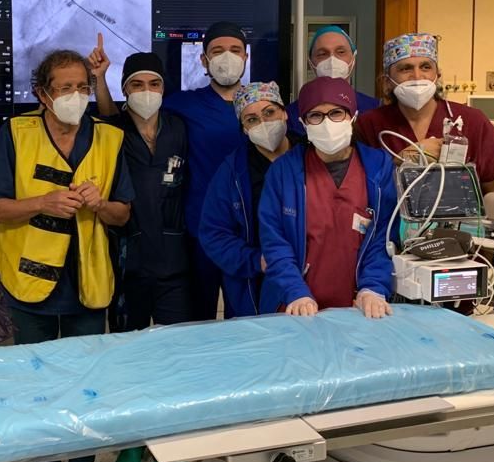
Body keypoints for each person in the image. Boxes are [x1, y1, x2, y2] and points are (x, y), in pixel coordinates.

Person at [0, 49, 133, 462]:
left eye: (83, 87)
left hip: (87, 280)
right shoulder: (17, 133)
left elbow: (123, 214)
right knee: (38, 381)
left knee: (86, 379)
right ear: (42, 94)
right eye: (64, 88)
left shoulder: (109, 138)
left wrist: (100, 204)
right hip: (29, 281)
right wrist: (42, 203)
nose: (75, 96)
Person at [89, 45, 201, 462]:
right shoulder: (112, 130)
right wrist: (99, 80)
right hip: (129, 258)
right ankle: (131, 442)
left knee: (175, 356)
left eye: (154, 83)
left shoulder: (178, 128)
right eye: (136, 84)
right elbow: (104, 114)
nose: (146, 91)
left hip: (175, 259)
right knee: (128, 355)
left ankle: (171, 446)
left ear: (164, 88)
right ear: (125, 90)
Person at [260, 77, 397, 318]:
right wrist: (295, 291)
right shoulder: (284, 171)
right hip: (296, 303)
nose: (327, 123)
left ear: (353, 116)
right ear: (303, 123)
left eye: (336, 113)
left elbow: (384, 236)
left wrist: (373, 287)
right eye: (315, 115)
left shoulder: (378, 167)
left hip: (359, 304)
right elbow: (275, 241)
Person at [162, 21, 250, 321]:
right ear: (203, 59)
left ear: (245, 57)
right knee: (199, 318)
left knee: (246, 317)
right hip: (202, 226)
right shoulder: (184, 104)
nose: (227, 57)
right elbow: (131, 122)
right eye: (218, 50)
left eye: (235, 50)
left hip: (249, 228)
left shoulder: (260, 105)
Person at [356, 32, 494, 195]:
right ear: (387, 81)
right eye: (405, 68)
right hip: (393, 212)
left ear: (437, 76)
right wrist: (401, 161)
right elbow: (361, 189)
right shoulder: (369, 125)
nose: (417, 76)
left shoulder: (472, 121)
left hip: (461, 212)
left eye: (425, 67)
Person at [198, 82, 289, 318]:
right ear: (244, 129)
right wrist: (256, 260)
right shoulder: (233, 172)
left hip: (311, 278)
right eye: (251, 119)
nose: (263, 123)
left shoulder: (309, 158)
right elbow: (213, 234)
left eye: (270, 112)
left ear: (285, 113)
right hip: (254, 287)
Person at [286, 25, 379, 136]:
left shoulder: (374, 109)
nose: (332, 60)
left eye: (341, 52)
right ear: (310, 62)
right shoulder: (291, 115)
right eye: (322, 54)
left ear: (353, 58)